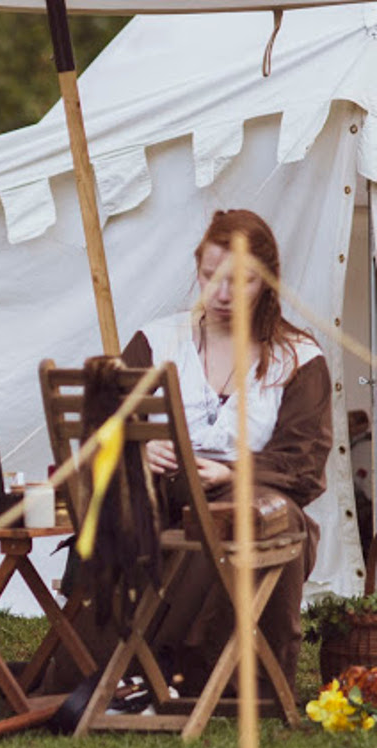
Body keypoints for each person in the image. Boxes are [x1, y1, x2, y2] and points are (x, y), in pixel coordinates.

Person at [121, 208, 333, 695]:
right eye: (210, 275)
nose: (221, 294)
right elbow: (107, 428)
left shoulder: (298, 358)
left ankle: (196, 668)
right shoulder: (157, 341)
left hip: (251, 503)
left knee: (257, 515)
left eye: (241, 281)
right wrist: (141, 449)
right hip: (162, 503)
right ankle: (157, 667)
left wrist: (232, 472)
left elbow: (303, 462)